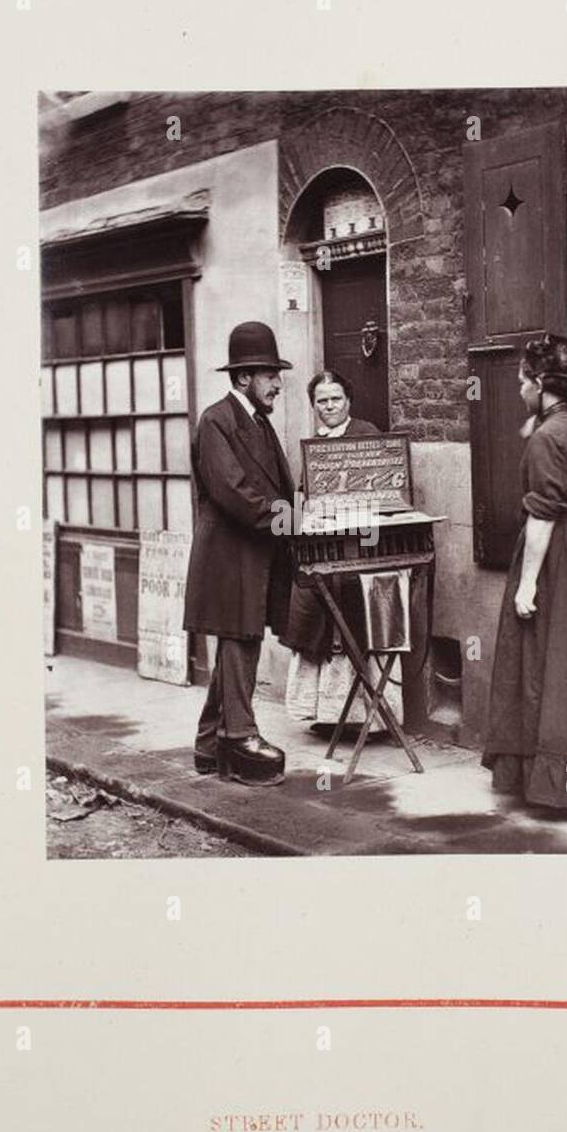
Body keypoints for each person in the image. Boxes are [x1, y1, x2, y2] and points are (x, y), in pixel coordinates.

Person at [481, 334, 567, 814]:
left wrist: (526, 583)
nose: (520, 388)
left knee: (549, 661)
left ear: (541, 383)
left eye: (523, 380)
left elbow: (542, 514)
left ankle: (556, 787)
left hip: (558, 552)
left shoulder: (547, 436)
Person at [182, 321, 295, 787]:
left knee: (240, 642)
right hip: (229, 558)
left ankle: (210, 747)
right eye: (270, 374)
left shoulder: (257, 422)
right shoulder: (216, 420)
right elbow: (232, 490)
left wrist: (290, 513)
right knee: (239, 642)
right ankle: (239, 738)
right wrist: (286, 519)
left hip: (253, 555)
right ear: (245, 377)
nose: (278, 383)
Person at [281, 370, 404, 733]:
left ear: (348, 401)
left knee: (357, 623)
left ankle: (366, 717)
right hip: (326, 546)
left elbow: (383, 487)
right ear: (313, 405)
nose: (329, 406)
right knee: (316, 615)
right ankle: (329, 714)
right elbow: (307, 495)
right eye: (322, 400)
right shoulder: (313, 445)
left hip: (362, 548)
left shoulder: (365, 435)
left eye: (335, 398)